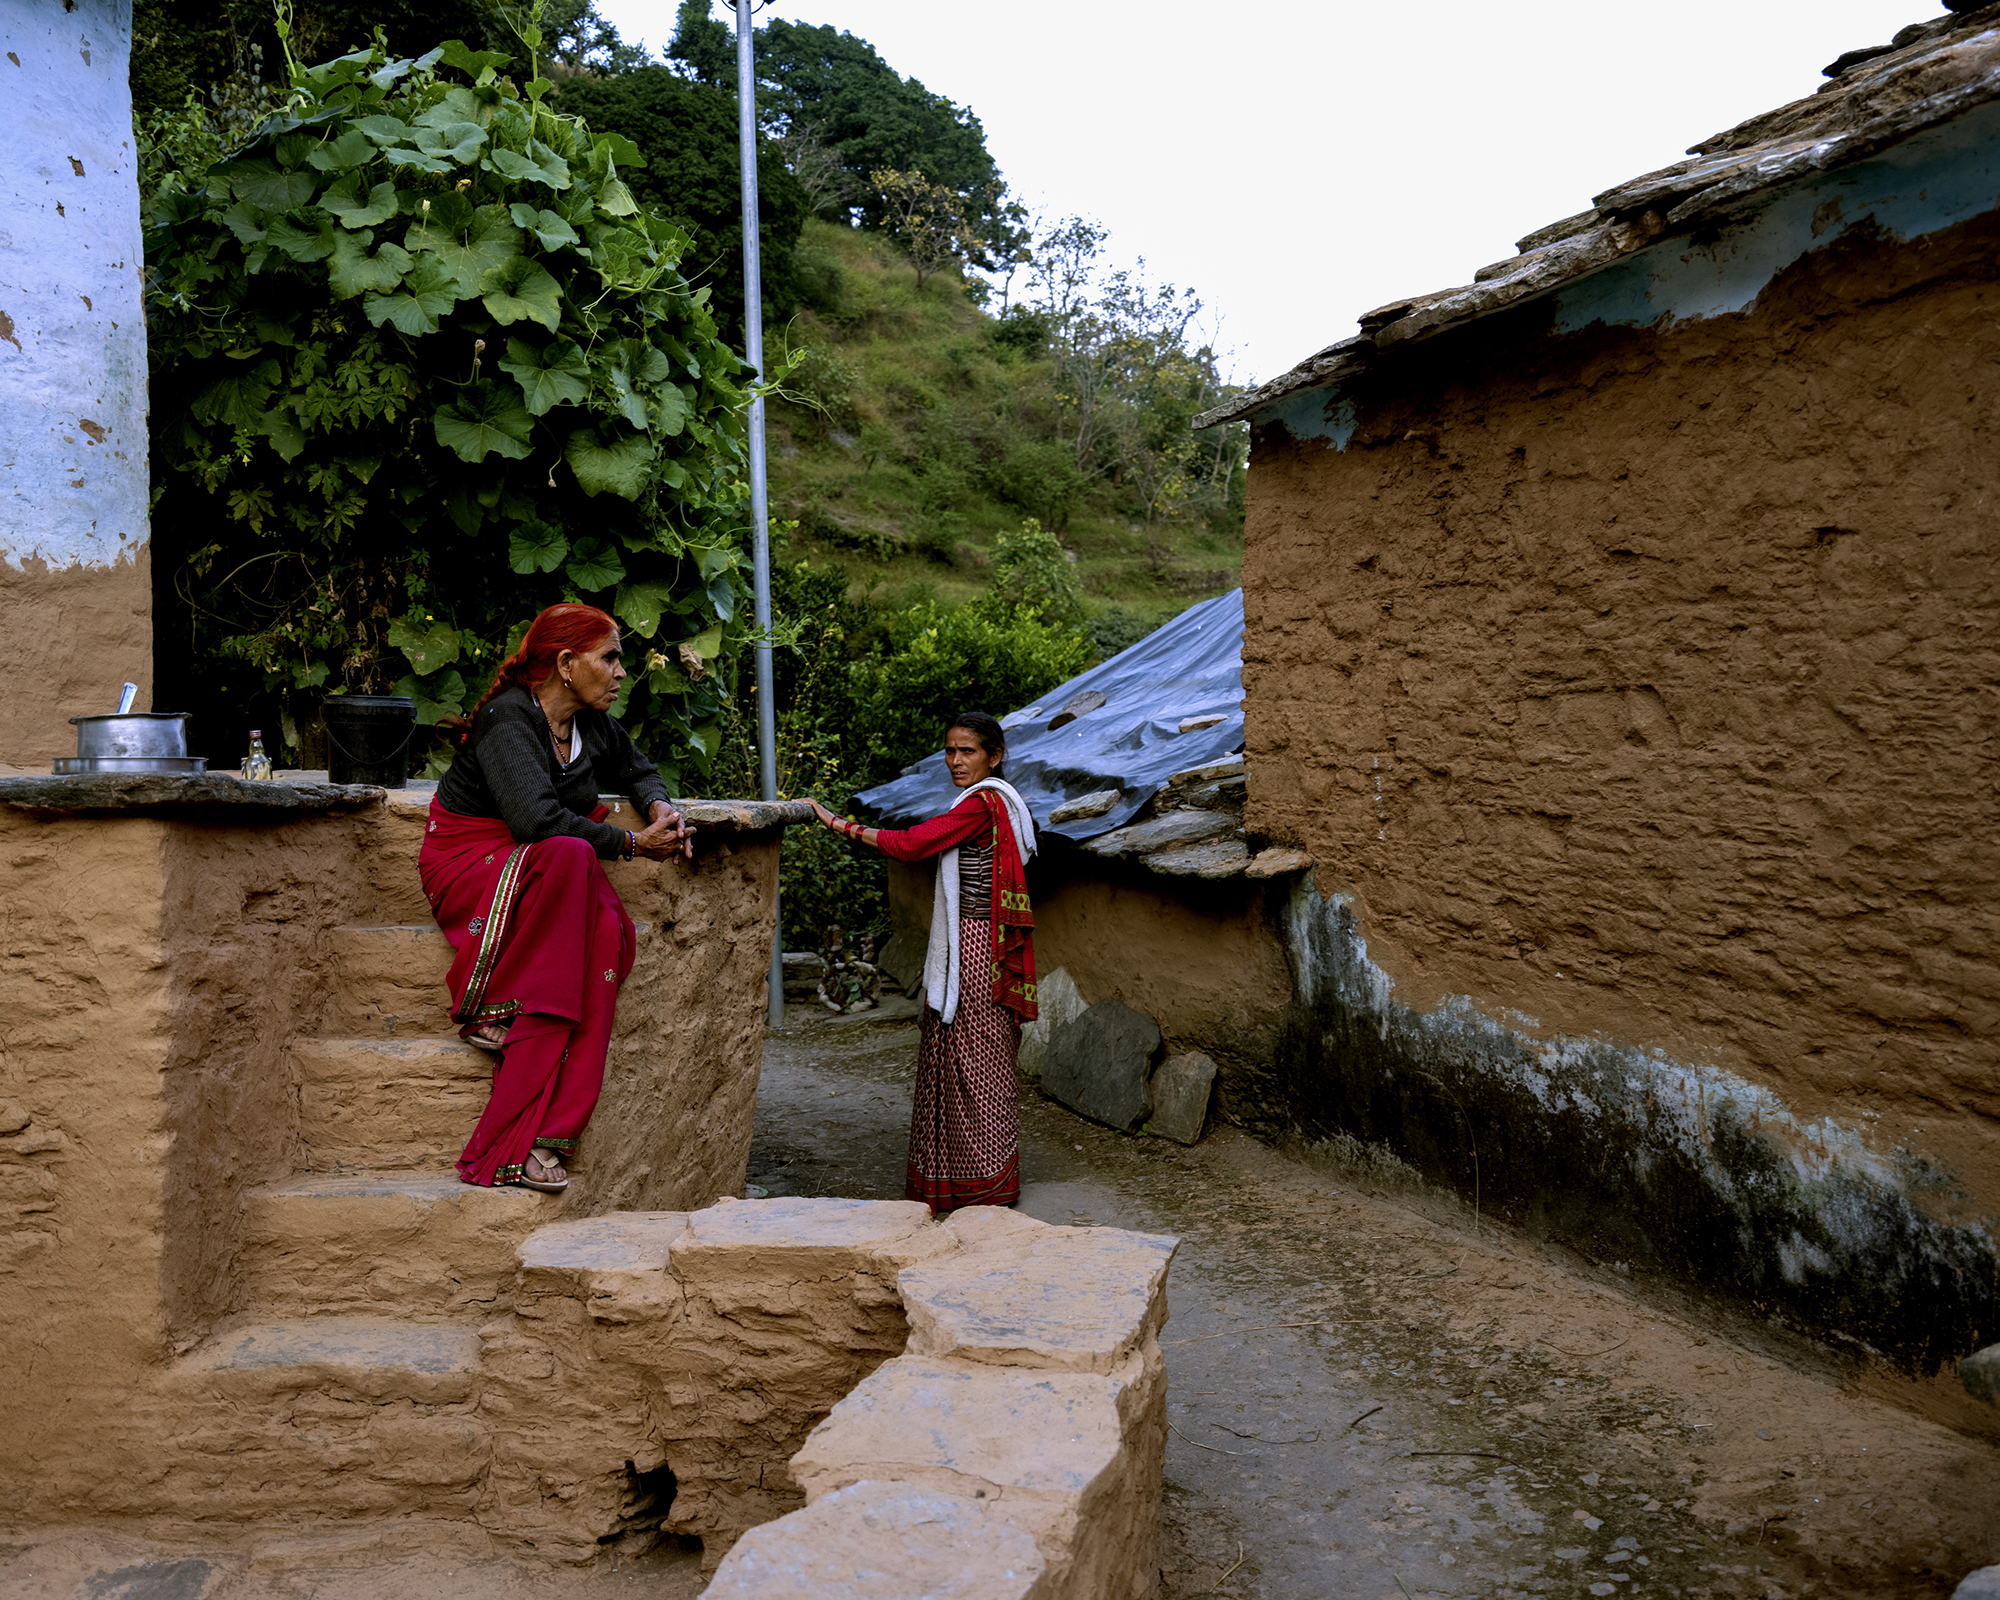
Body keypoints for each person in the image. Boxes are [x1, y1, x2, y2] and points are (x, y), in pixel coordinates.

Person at [419, 602, 693, 1193]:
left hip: (541, 867)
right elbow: (536, 820)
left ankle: (552, 1132)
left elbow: (640, 769)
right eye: (610, 658)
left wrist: (659, 806)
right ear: (567, 664)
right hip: (470, 862)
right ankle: (491, 1006)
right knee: (572, 856)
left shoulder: (591, 723)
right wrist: (630, 844)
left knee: (603, 943)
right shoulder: (507, 718)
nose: (622, 672)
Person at [808, 712, 1037, 1212]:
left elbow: (912, 845)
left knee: (976, 1065)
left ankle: (984, 1184)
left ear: (994, 756)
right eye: (950, 751)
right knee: (961, 1059)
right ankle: (965, 1179)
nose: (955, 761)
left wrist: (838, 824)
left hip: (976, 952)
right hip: (974, 947)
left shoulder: (982, 805)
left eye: (968, 751)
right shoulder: (992, 803)